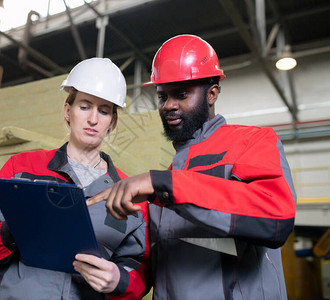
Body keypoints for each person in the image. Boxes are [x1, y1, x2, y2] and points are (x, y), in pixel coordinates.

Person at [88, 35, 296, 299]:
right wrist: (118, 279)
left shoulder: (251, 143)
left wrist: (164, 184)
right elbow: (157, 267)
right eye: (162, 97)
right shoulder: (166, 181)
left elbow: (276, 218)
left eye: (182, 94)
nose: (169, 106)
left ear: (212, 93)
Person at [0, 57, 150, 300]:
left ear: (112, 122)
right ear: (67, 111)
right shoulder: (21, 168)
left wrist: (118, 279)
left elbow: (141, 271)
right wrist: (13, 230)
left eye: (103, 111)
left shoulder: (131, 193)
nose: (93, 119)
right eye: (84, 106)